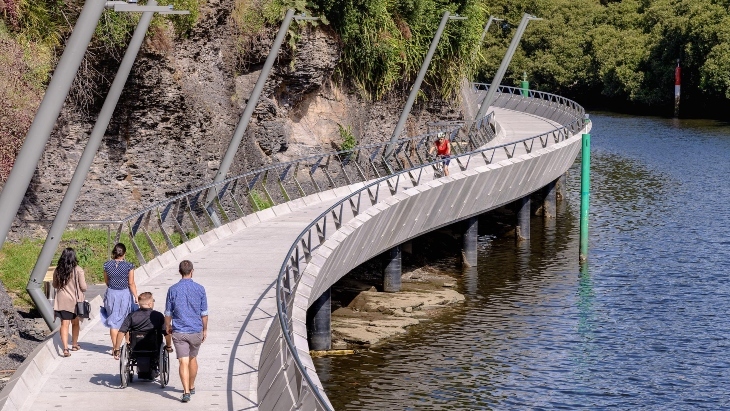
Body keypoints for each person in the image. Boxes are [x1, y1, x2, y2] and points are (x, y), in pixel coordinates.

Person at [165, 260, 208, 403]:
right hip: (196, 330)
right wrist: (205, 329)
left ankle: (186, 392)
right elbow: (204, 313)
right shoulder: (200, 289)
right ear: (192, 271)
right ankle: (191, 385)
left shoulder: (172, 289)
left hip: (179, 331)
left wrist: (167, 326)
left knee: (183, 362)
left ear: (179, 272)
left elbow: (168, 312)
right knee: (193, 359)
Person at [112, 292, 172, 360]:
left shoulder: (132, 316)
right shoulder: (158, 316)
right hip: (155, 348)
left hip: (136, 349)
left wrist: (117, 349)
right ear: (150, 304)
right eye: (153, 301)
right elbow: (166, 333)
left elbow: (122, 332)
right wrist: (168, 346)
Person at [102, 243, 138, 354]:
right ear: (124, 253)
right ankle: (127, 343)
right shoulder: (129, 266)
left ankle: (115, 348)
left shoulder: (107, 265)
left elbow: (106, 281)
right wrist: (136, 296)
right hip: (124, 294)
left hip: (111, 293)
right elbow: (131, 283)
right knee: (125, 319)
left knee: (113, 321)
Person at [52, 248, 87, 357]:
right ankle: (75, 344)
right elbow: (83, 287)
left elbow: (55, 285)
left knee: (64, 324)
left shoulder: (58, 270)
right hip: (75, 302)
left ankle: (65, 349)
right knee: (75, 323)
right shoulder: (78, 270)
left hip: (62, 301)